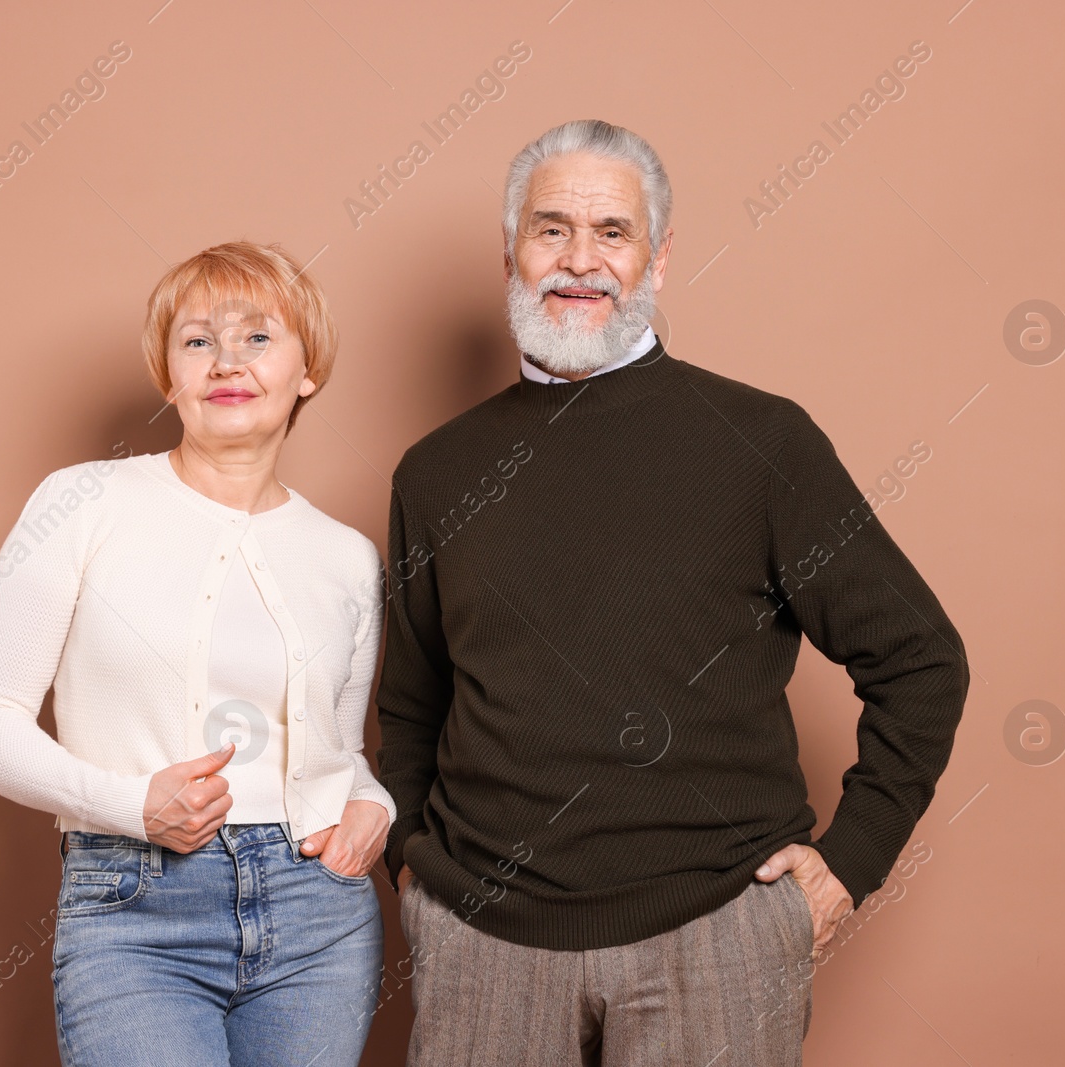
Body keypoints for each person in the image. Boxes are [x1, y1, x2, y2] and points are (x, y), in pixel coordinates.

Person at [376, 119, 971, 1065]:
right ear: (510, 255)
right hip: (480, 940)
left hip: (718, 932)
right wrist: (411, 863)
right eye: (551, 229)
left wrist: (849, 862)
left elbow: (922, 658)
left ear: (657, 259)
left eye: (612, 232)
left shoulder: (762, 443)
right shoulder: (437, 472)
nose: (580, 259)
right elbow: (408, 707)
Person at [0, 241, 395, 1067]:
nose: (227, 360)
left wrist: (376, 805)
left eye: (258, 337)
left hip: (317, 917)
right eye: (198, 340)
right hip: (134, 904)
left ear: (308, 369)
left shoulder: (348, 556)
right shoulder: (82, 503)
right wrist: (129, 805)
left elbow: (342, 752)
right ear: (168, 376)